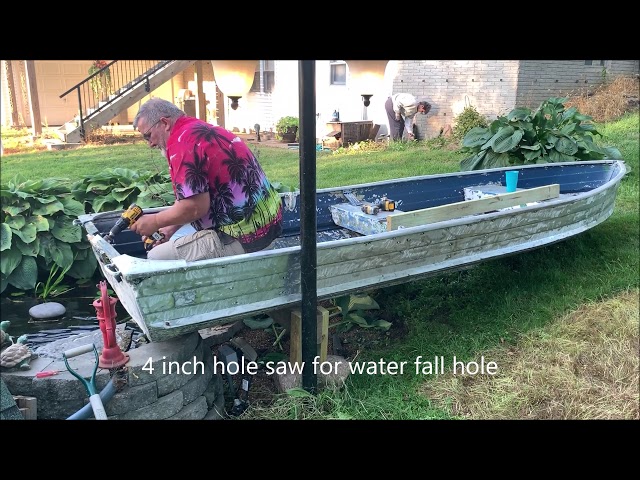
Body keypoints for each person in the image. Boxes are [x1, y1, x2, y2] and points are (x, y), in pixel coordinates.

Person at [130, 97, 283, 261]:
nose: (150, 144)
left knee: (156, 257)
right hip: (269, 224)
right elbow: (195, 197)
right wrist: (169, 228)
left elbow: (195, 208)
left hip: (247, 237)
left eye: (148, 136)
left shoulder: (182, 144)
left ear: (165, 123)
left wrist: (155, 220)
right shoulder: (198, 129)